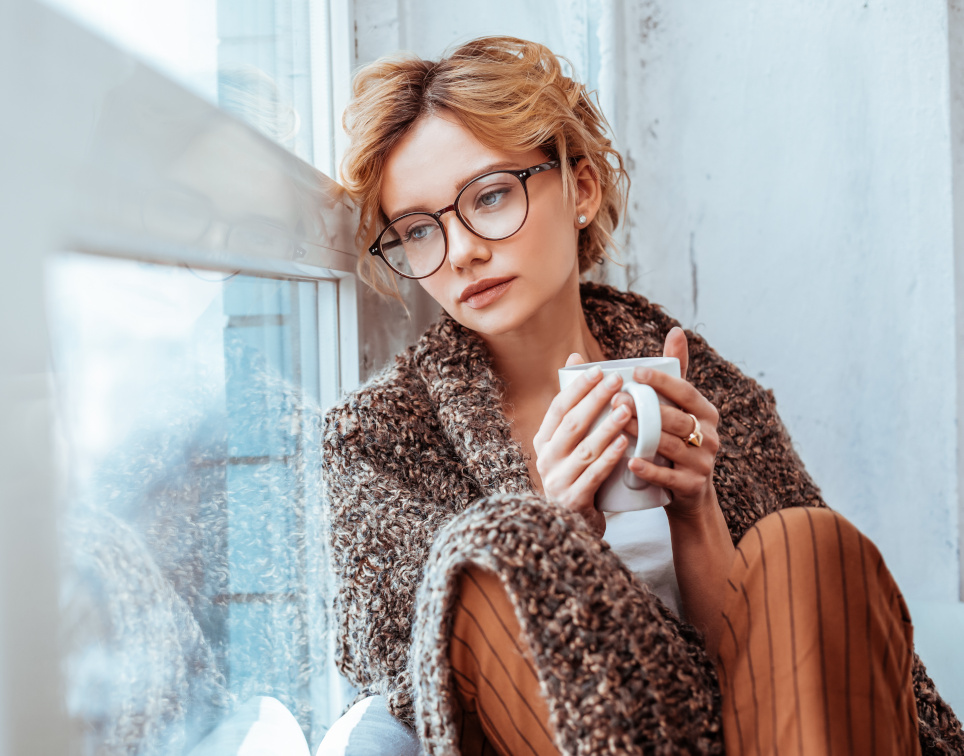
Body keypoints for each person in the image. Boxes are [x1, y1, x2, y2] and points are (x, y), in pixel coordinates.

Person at [321, 36, 963, 755]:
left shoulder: (717, 395)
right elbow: (418, 688)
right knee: (487, 557)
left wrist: (697, 511)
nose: (463, 249)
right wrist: (555, 532)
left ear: (581, 189)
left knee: (807, 544)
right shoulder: (380, 439)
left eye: (491, 196)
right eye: (419, 230)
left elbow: (785, 668)